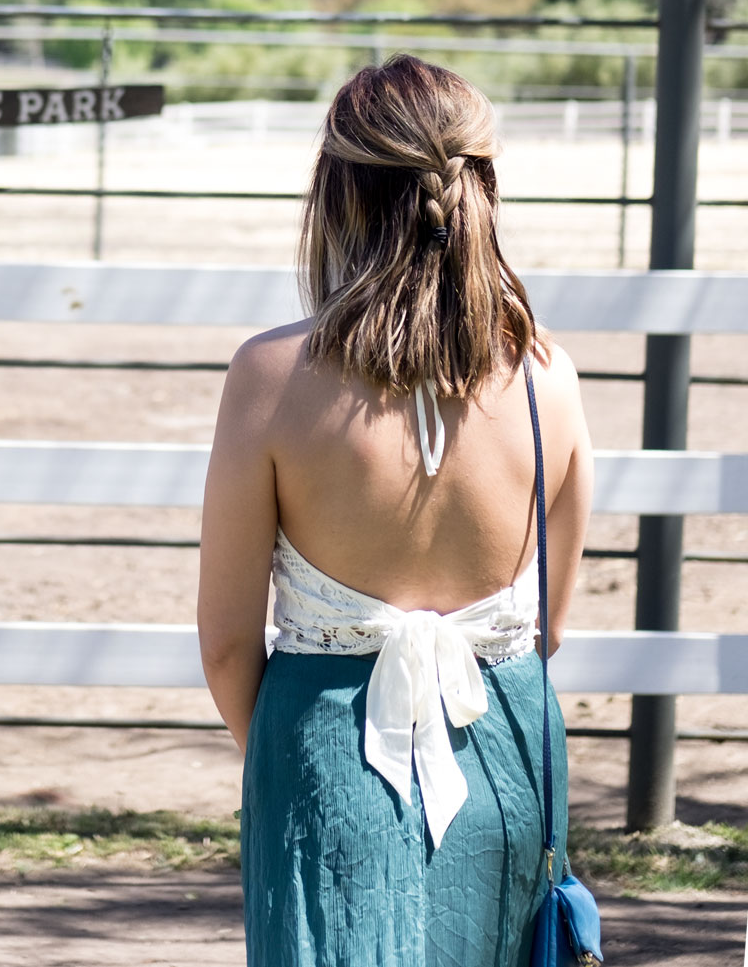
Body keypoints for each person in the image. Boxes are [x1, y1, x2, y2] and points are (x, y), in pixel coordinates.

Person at [197, 55, 593, 967]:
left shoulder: (269, 377)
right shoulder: (549, 380)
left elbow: (225, 643)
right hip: (503, 759)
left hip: (321, 759)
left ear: (339, 196)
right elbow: (548, 631)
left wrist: (303, 764)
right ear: (481, 187)